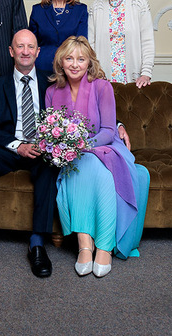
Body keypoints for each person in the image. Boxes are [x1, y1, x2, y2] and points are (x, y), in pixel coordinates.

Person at [46, 36, 150, 277]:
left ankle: (103, 246)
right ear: (61, 62)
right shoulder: (52, 91)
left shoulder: (102, 87)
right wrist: (65, 147)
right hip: (70, 156)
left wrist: (82, 145)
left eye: (81, 59)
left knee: (93, 166)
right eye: (69, 58)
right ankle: (85, 245)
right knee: (79, 166)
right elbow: (52, 130)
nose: (75, 64)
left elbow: (108, 131)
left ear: (89, 62)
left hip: (104, 148)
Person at [0, 29, 59, 278]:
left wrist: (44, 143)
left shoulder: (51, 82)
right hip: (9, 147)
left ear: (38, 52)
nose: (25, 51)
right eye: (20, 46)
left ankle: (37, 243)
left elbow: (74, 109)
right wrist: (18, 145)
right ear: (11, 51)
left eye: (30, 47)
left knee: (50, 164)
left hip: (39, 147)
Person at [88, 0, 155, 88]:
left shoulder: (139, 3)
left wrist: (146, 73)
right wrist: (96, 73)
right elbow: (91, 46)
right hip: (103, 80)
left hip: (135, 81)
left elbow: (147, 42)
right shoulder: (96, 7)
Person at [28, 0, 88, 72]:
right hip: (42, 68)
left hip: (71, 70)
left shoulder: (81, 10)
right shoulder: (38, 10)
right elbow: (32, 45)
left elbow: (82, 44)